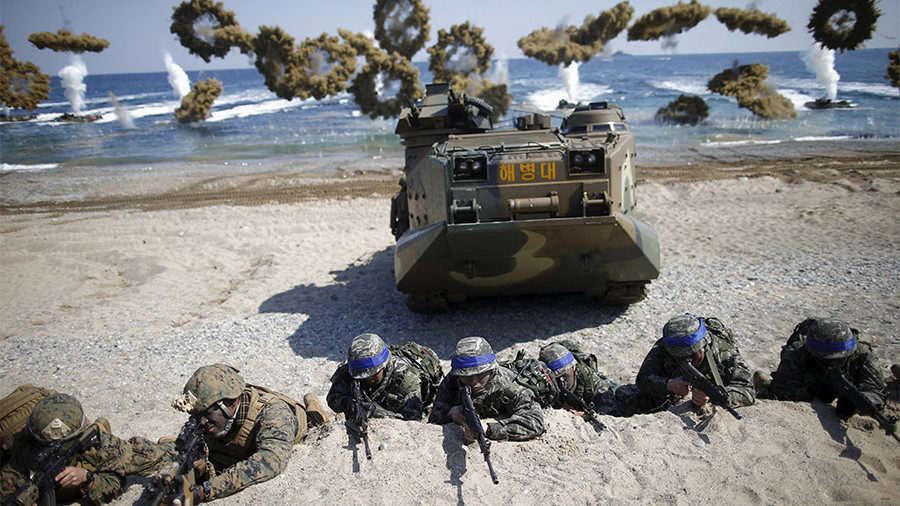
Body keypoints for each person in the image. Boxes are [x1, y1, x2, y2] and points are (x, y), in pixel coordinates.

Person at [161, 364, 330, 503]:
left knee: (316, 420)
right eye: (197, 416)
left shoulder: (275, 413)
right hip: (236, 445)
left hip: (296, 425)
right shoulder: (212, 420)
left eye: (207, 414)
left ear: (231, 404)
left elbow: (270, 460)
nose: (202, 422)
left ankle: (312, 405)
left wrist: (202, 492)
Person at [1, 393, 166, 505]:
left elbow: (115, 481)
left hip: (95, 452)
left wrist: (87, 479)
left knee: (153, 456)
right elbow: (6, 491)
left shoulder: (96, 444)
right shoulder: (26, 454)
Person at [756, 318, 887, 419]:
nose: (833, 365)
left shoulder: (862, 355)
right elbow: (781, 388)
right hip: (807, 390)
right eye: (827, 360)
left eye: (840, 359)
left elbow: (877, 391)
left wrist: (857, 403)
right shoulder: (797, 354)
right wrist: (810, 391)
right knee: (766, 392)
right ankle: (763, 382)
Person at [429, 337, 544, 441]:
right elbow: (435, 416)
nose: (473, 381)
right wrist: (451, 413)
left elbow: (534, 422)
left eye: (480, 375)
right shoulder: (454, 379)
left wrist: (488, 429)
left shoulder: (508, 386)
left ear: (491, 369)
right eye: (466, 376)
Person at [636, 314, 756, 413]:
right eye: (679, 356)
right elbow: (642, 379)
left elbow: (748, 391)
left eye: (691, 355)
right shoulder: (666, 346)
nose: (686, 360)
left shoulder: (724, 352)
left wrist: (714, 396)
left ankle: (764, 386)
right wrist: (668, 384)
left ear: (703, 346)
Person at [327, 333, 440, 421]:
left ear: (384, 365)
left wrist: (379, 413)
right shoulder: (355, 370)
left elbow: (413, 422)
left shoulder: (407, 379)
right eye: (362, 376)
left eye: (373, 374)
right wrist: (349, 404)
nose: (367, 379)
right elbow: (332, 398)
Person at [538, 342, 655, 417]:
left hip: (618, 394)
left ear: (574, 367)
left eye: (564, 376)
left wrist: (585, 415)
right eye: (555, 378)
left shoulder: (595, 384)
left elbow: (610, 412)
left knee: (634, 397)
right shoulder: (542, 379)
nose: (560, 382)